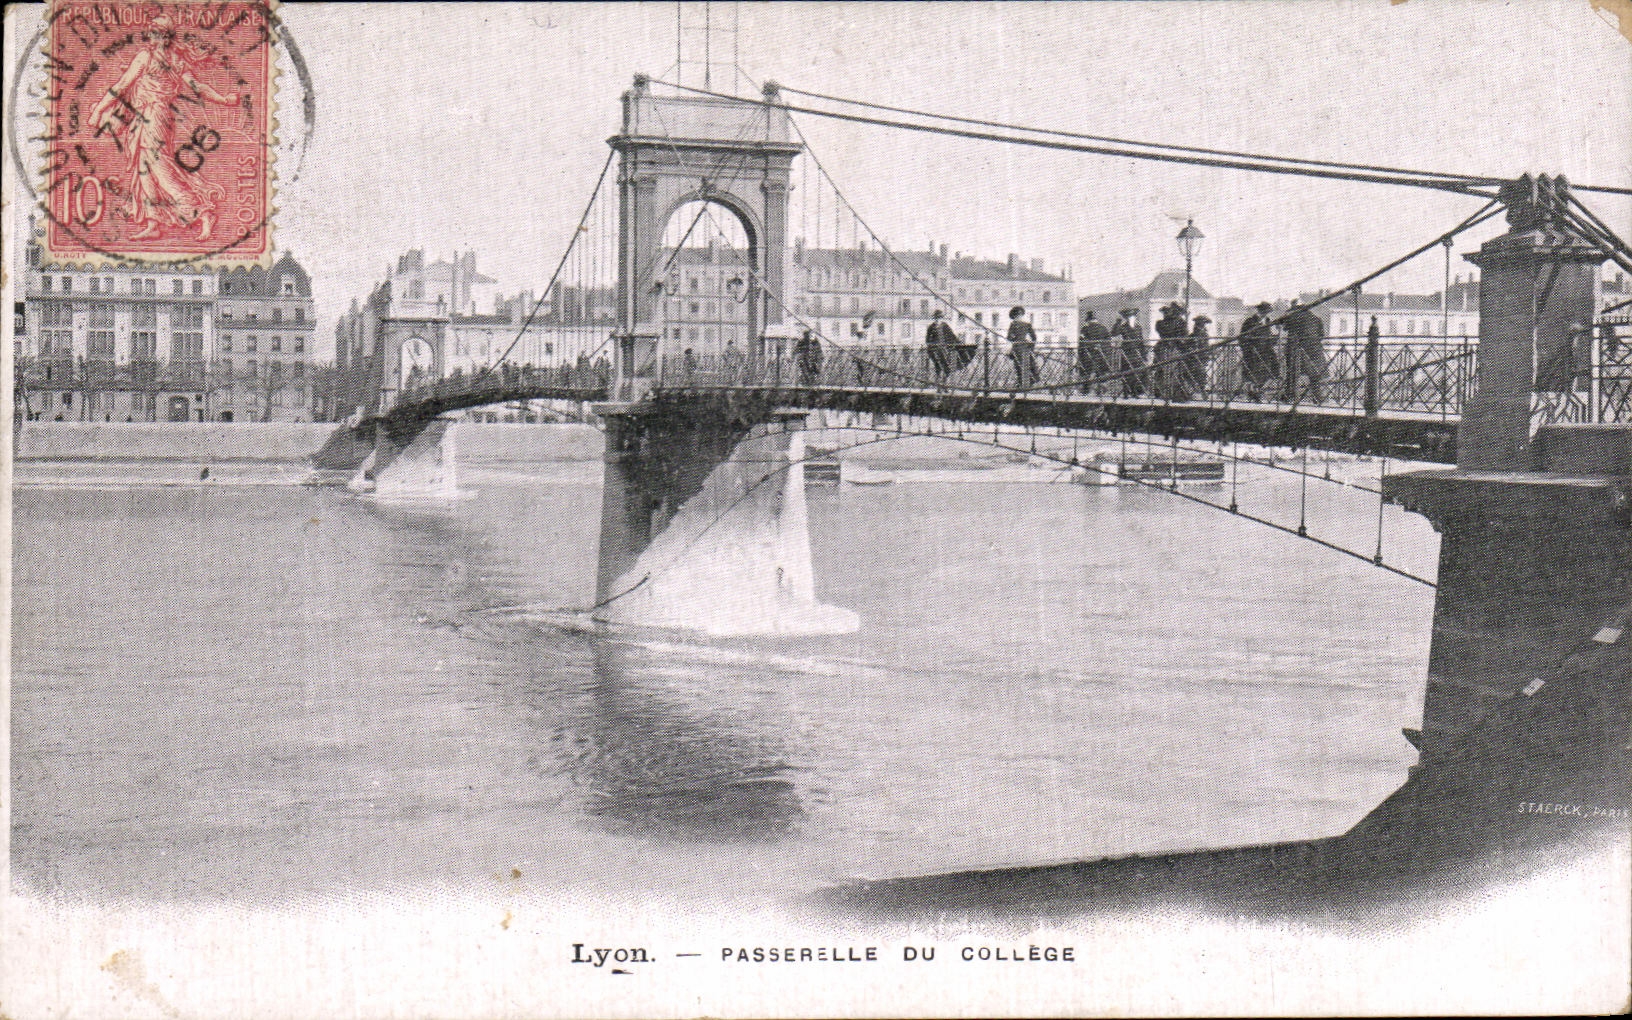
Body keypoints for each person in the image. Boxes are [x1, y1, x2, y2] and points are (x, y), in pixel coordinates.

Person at [89, 14, 242, 241]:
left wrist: (98, 110)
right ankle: (154, 223)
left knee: (161, 171)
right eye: (151, 32)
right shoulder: (167, 58)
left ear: (163, 36)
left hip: (156, 117)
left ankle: (202, 212)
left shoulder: (150, 58)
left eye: (154, 32)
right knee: (144, 170)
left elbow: (121, 86)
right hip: (149, 117)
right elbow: (198, 87)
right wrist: (225, 99)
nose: (150, 37)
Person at [1282, 299, 1327, 402]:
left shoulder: (1293, 317)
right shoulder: (1316, 318)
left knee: (1292, 372)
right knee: (1315, 374)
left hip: (1298, 350)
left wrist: (1286, 315)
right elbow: (1321, 335)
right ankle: (1317, 397)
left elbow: (1284, 327)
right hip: (1315, 349)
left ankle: (1290, 396)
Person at [1238, 301, 1281, 401]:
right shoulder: (1250, 322)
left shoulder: (1267, 322)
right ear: (1260, 311)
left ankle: (1257, 392)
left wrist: (1277, 334)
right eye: (1264, 311)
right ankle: (1253, 393)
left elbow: (1269, 339)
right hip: (1252, 353)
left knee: (1268, 372)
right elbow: (1242, 337)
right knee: (1253, 373)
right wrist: (1248, 349)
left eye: (1267, 312)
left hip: (1265, 352)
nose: (1266, 314)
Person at [1153, 303, 1190, 401]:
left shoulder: (1178, 322)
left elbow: (1184, 335)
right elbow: (1167, 332)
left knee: (1174, 371)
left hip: (1174, 348)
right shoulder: (1163, 323)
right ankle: (1165, 393)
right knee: (1167, 370)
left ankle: (1172, 393)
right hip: (1168, 349)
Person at [1112, 308, 1145, 396]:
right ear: (1126, 318)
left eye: (1133, 316)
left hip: (1137, 353)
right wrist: (1118, 322)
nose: (1131, 318)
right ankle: (1126, 392)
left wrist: (1144, 354)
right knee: (1126, 372)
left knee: (1137, 373)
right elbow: (1114, 333)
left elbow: (1141, 340)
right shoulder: (1123, 326)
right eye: (1129, 317)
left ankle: (1135, 392)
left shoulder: (1138, 327)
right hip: (1127, 352)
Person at [1077, 310, 1112, 394]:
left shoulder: (1085, 329)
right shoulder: (1103, 328)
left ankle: (1086, 393)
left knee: (1086, 376)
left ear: (1088, 320)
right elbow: (1108, 344)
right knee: (1101, 376)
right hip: (1102, 358)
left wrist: (1080, 356)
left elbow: (1081, 344)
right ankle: (1101, 394)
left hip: (1088, 358)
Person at [1006, 306, 1037, 390]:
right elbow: (1034, 338)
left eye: (1017, 316)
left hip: (1017, 348)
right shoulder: (1027, 325)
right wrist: (1031, 347)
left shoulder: (1013, 325)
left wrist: (1014, 338)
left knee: (1019, 366)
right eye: (1018, 316)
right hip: (1026, 348)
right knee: (1028, 365)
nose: (1017, 318)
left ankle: (1022, 384)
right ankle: (1029, 383)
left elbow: (1008, 338)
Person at [925, 309, 958, 379]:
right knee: (938, 366)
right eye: (936, 318)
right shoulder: (931, 327)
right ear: (934, 318)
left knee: (947, 367)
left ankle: (944, 383)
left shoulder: (945, 326)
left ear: (941, 318)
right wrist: (932, 345)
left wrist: (958, 342)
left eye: (939, 318)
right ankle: (939, 385)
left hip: (945, 349)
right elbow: (927, 339)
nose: (937, 320)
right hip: (935, 350)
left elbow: (952, 335)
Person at [1186, 314, 1212, 399]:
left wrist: (1209, 352)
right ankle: (1197, 392)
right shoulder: (1194, 335)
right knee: (1196, 374)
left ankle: (1196, 392)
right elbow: (1191, 346)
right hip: (1195, 358)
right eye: (1201, 324)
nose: (1203, 325)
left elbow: (1205, 346)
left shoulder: (1204, 334)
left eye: (1203, 324)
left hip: (1203, 357)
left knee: (1200, 374)